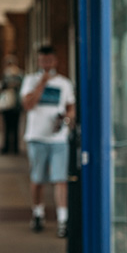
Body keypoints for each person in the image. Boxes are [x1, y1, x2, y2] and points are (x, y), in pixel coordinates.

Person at [20, 45, 75, 237]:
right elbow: (27, 104)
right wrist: (41, 84)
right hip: (36, 137)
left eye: (49, 61)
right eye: (43, 61)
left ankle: (63, 219)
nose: (46, 64)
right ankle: (38, 213)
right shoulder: (30, 81)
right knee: (38, 178)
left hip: (58, 138)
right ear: (38, 61)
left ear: (55, 61)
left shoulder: (64, 83)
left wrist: (66, 119)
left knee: (60, 179)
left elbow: (71, 108)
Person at [0, 55, 23, 155]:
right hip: (16, 104)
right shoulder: (20, 74)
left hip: (9, 103)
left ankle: (7, 147)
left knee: (7, 126)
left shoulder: (7, 74)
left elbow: (3, 85)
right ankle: (14, 148)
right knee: (14, 126)